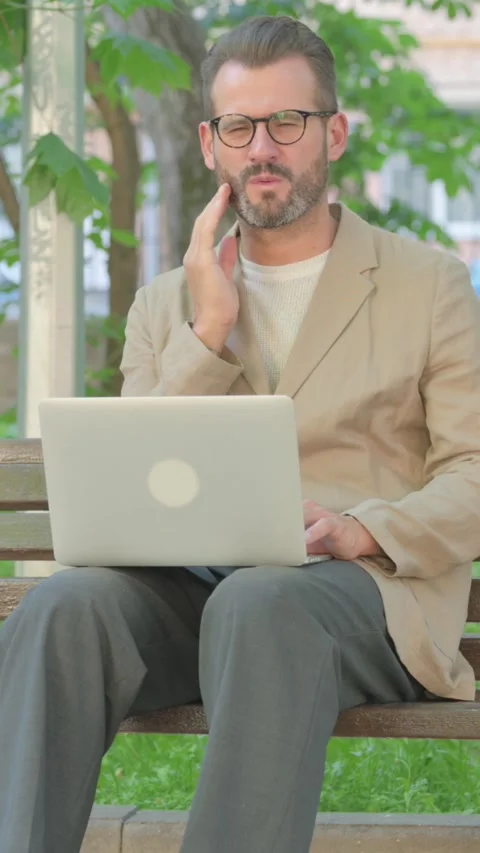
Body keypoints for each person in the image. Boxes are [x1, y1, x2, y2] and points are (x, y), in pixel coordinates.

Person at [1, 14, 480, 853]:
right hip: (197, 593)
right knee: (62, 608)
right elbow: (135, 489)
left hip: (358, 593)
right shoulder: (166, 305)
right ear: (210, 142)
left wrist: (362, 527)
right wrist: (208, 331)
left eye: (286, 122)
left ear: (333, 133)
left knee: (260, 603)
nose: (262, 148)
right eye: (239, 126)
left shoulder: (429, 284)